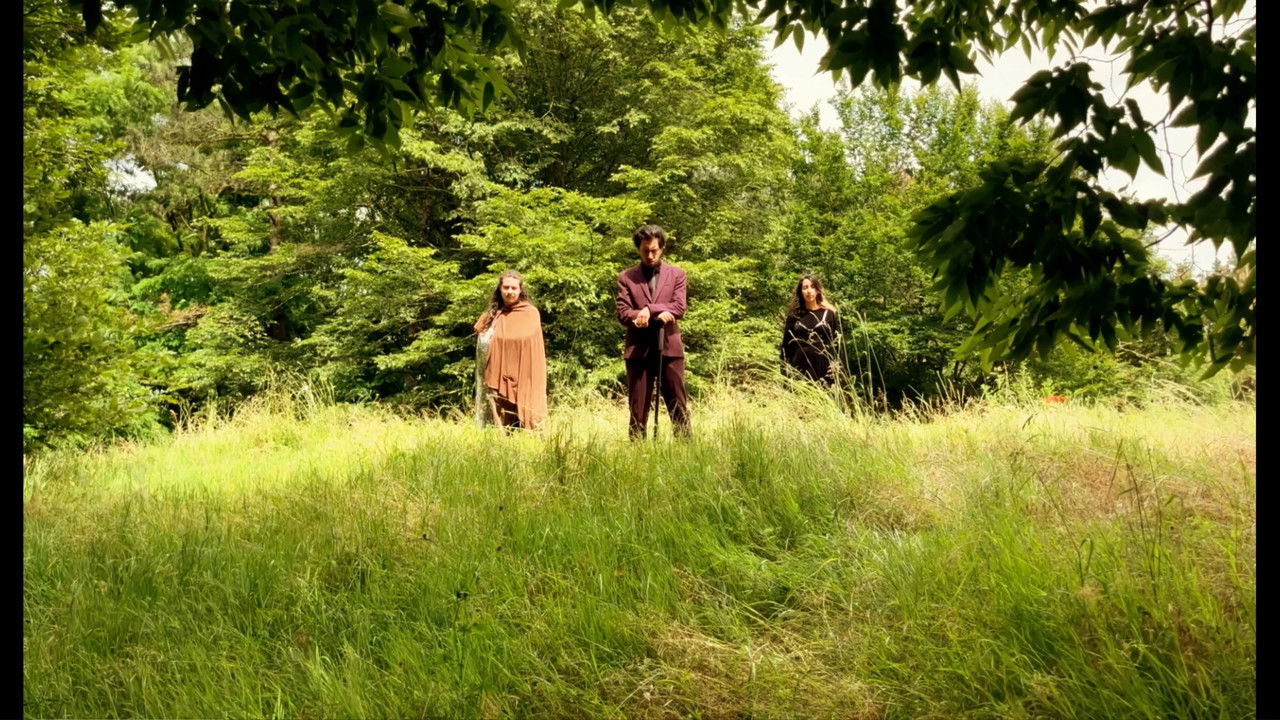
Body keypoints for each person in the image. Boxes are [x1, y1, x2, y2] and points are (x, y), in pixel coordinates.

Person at [616, 224, 690, 439]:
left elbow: (679, 307)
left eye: (654, 250)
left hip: (669, 347)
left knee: (677, 404)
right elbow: (623, 313)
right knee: (637, 409)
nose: (650, 255)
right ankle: (637, 451)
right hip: (638, 350)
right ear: (638, 249)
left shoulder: (677, 274)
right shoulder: (626, 277)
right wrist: (646, 315)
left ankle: (687, 448)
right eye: (645, 251)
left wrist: (649, 310)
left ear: (662, 248)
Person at [473, 270, 547, 430]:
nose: (509, 291)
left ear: (520, 290)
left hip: (524, 372)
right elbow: (481, 339)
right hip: (498, 374)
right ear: (500, 289)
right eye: (506, 287)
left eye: (514, 288)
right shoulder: (493, 315)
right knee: (500, 418)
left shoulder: (530, 313)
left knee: (528, 415)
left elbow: (530, 344)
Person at [781, 274, 840, 385]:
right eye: (805, 287)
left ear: (817, 290)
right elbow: (786, 347)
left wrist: (836, 366)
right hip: (799, 365)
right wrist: (785, 374)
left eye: (812, 287)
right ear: (801, 292)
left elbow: (836, 344)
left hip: (823, 365)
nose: (809, 291)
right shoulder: (794, 316)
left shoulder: (828, 314)